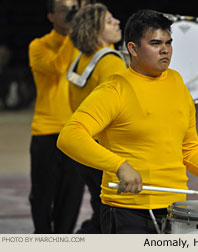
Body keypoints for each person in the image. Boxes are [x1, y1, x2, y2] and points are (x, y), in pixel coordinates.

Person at [57, 9, 198, 234]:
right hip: (128, 212)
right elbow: (70, 136)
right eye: (155, 43)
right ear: (133, 48)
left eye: (169, 43)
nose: (165, 50)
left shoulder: (177, 83)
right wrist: (119, 166)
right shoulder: (115, 89)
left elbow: (188, 150)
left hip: (176, 211)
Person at [67, 3, 127, 233]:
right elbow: (121, 110)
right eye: (109, 21)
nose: (117, 23)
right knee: (112, 214)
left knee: (98, 205)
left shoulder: (81, 58)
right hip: (105, 151)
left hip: (85, 149)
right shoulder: (111, 61)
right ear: (95, 30)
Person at [28, 0, 84, 233]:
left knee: (72, 196)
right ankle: (43, 239)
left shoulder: (84, 46)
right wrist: (74, 31)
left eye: (74, 8)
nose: (70, 13)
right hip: (47, 130)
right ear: (51, 16)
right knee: (42, 195)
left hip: (77, 131)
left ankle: (64, 240)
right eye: (64, 9)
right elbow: (57, 66)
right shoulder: (39, 46)